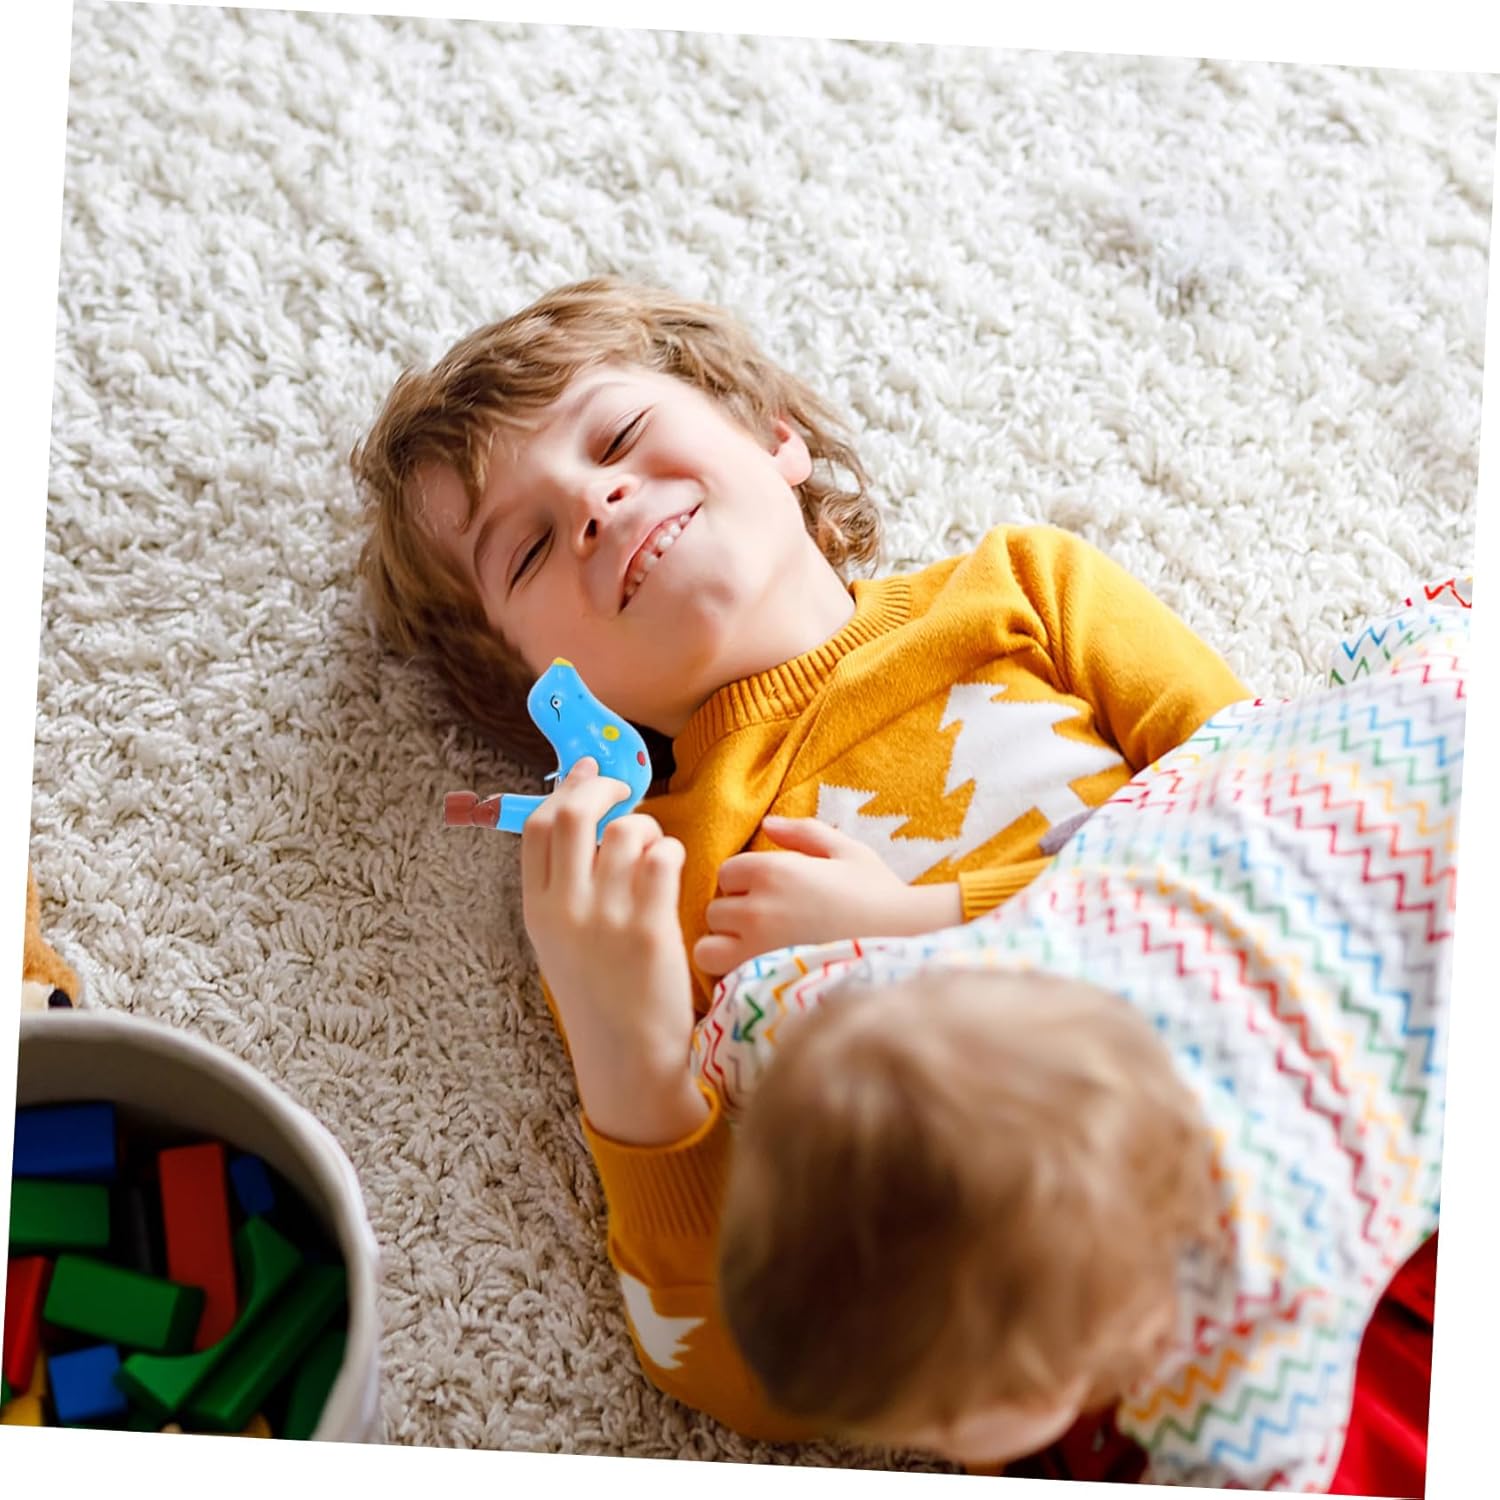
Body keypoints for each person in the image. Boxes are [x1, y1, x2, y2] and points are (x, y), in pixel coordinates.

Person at [351, 277, 1247, 1435]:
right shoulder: (635, 894)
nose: (591, 503)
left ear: (776, 437)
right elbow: (750, 1373)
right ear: (537, 690)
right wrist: (628, 1054)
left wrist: (927, 933)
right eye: (523, 552)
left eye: (618, 437)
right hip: (1117, 1382)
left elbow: (1282, 810)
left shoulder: (1026, 588)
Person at [701, 586, 1468, 1490]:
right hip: (1403, 703)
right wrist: (704, 1057)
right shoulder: (928, 987)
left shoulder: (1258, 1303)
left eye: (936, 1426)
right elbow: (754, 1014)